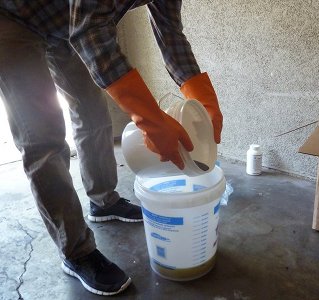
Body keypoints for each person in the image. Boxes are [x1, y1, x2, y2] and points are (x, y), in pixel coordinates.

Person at [0, 0, 223, 296]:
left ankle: (103, 201)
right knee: (42, 137)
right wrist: (152, 121)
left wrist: (203, 98)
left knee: (93, 116)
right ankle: (76, 251)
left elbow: (170, 33)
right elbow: (90, 28)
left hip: (65, 20)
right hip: (14, 17)